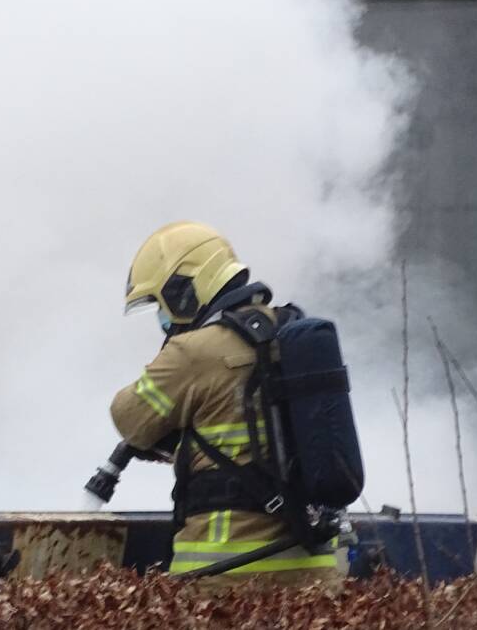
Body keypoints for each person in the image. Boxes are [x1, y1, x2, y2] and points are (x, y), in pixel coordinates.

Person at [110, 221, 342, 590]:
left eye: (161, 303)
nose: (163, 318)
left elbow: (129, 418)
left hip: (225, 577)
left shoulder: (195, 350)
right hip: (315, 574)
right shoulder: (291, 334)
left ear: (185, 288)